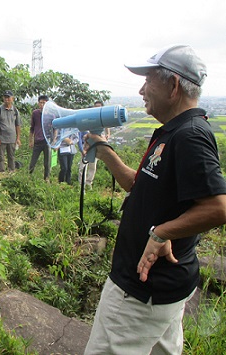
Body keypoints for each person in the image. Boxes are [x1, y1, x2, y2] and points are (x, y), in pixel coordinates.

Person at [83, 45, 226, 355]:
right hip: (165, 290)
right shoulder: (171, 133)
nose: (141, 89)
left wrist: (163, 232)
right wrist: (102, 149)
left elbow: (218, 207)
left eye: (148, 80)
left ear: (173, 86)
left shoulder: (189, 135)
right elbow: (140, 185)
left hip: (139, 293)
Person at [77, 101, 109, 189]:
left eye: (99, 107)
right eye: (95, 107)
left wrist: (107, 135)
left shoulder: (103, 118)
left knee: (93, 166)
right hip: (87, 145)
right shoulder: (89, 118)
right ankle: (81, 185)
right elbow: (80, 134)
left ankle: (88, 183)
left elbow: (107, 127)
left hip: (96, 145)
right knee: (83, 165)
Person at [0, 90, 21, 172]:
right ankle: (1, 171)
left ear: (12, 98)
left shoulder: (15, 111)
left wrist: (18, 138)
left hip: (12, 138)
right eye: (5, 97)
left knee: (11, 156)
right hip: (1, 138)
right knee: (0, 156)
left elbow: (18, 125)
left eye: (8, 97)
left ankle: (11, 171)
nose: (6, 99)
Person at [29, 95, 51, 180]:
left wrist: (54, 141)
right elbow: (32, 128)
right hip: (37, 141)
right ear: (38, 103)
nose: (42, 104)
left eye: (44, 103)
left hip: (47, 141)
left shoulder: (51, 115)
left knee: (47, 163)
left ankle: (47, 178)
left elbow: (54, 129)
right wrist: (30, 140)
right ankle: (29, 176)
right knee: (33, 161)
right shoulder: (35, 113)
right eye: (40, 102)